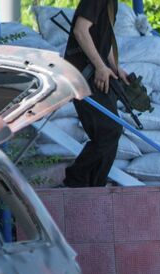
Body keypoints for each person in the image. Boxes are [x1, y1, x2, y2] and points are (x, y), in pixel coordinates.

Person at [62, 0, 129, 187]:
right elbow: (81, 30)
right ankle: (75, 181)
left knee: (110, 132)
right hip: (83, 75)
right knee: (110, 130)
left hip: (94, 72)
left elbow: (102, 40)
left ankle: (94, 186)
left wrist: (115, 68)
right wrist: (100, 66)